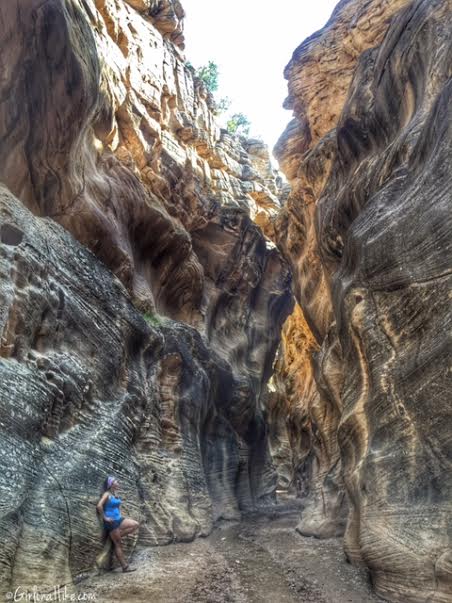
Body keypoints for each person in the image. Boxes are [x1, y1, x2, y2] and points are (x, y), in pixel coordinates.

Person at [96, 476, 139, 572]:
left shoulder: (115, 493)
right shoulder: (107, 494)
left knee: (135, 524)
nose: (118, 482)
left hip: (119, 519)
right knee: (118, 544)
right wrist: (105, 518)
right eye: (116, 481)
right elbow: (99, 506)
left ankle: (115, 537)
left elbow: (117, 506)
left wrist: (120, 514)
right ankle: (125, 567)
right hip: (111, 522)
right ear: (111, 484)